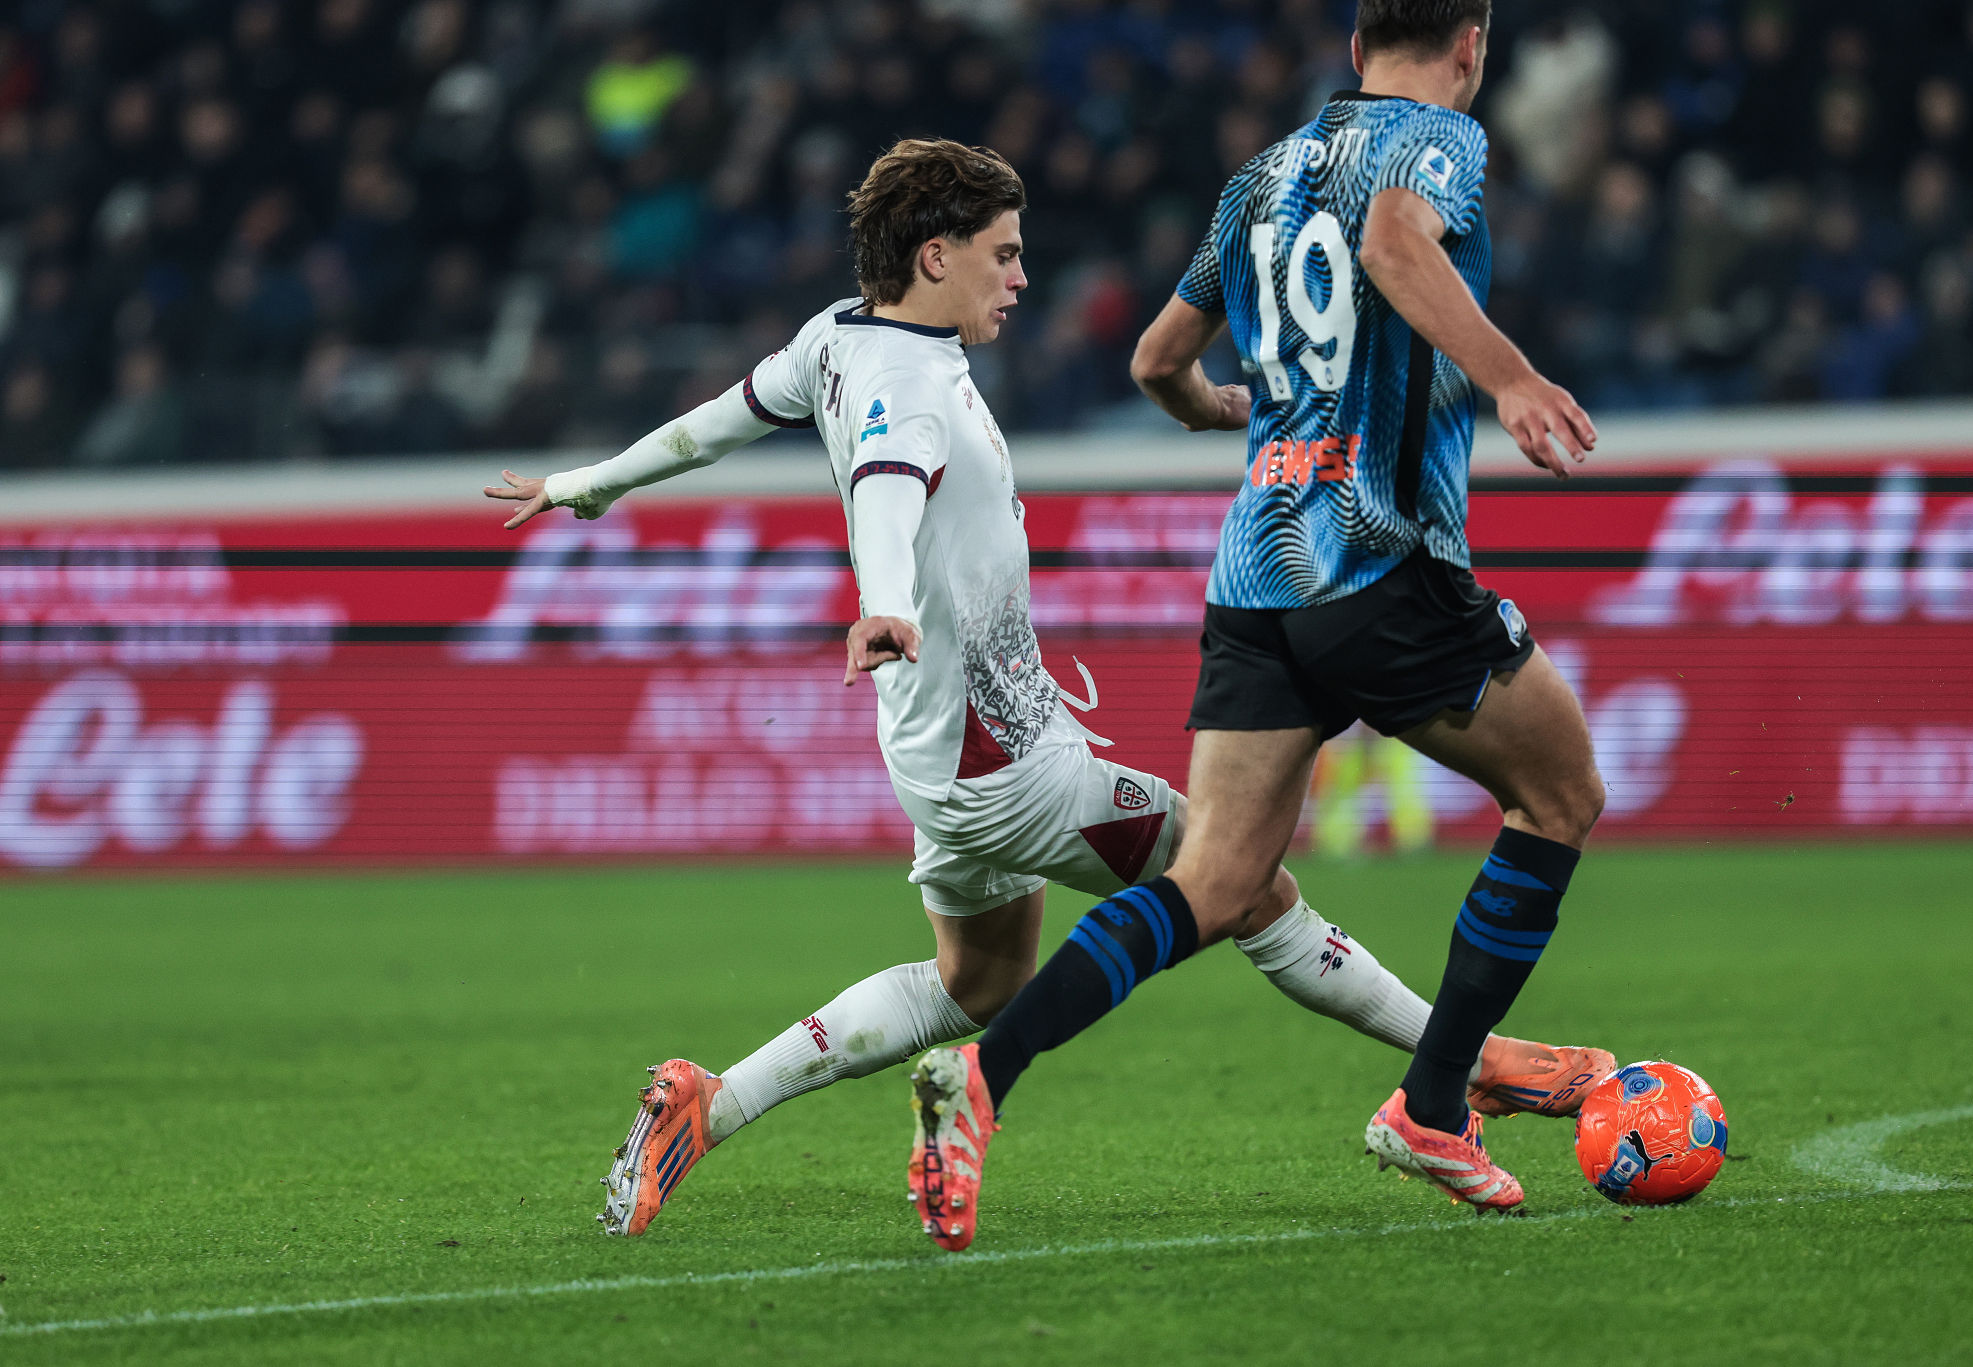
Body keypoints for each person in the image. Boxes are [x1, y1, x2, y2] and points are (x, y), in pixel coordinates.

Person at [484, 137, 1603, 1245]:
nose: (1021, 278)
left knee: (979, 978)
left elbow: (716, 420)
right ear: (934, 257)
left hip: (937, 757)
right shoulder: (905, 387)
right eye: (1003, 254)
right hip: (1004, 761)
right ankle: (1462, 1070)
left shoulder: (834, 338)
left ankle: (707, 1100)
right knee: (1243, 882)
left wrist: (586, 485)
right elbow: (885, 486)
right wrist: (880, 599)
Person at [905, 0, 1612, 1239]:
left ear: (1351, 47)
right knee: (1560, 795)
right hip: (1376, 561)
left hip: (1253, 581)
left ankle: (984, 1072)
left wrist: (1218, 411)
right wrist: (1508, 375)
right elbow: (1396, 243)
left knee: (1217, 881)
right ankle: (1431, 1103)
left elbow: (1152, 360)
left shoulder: (1258, 177)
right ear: (1472, 46)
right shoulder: (1437, 139)